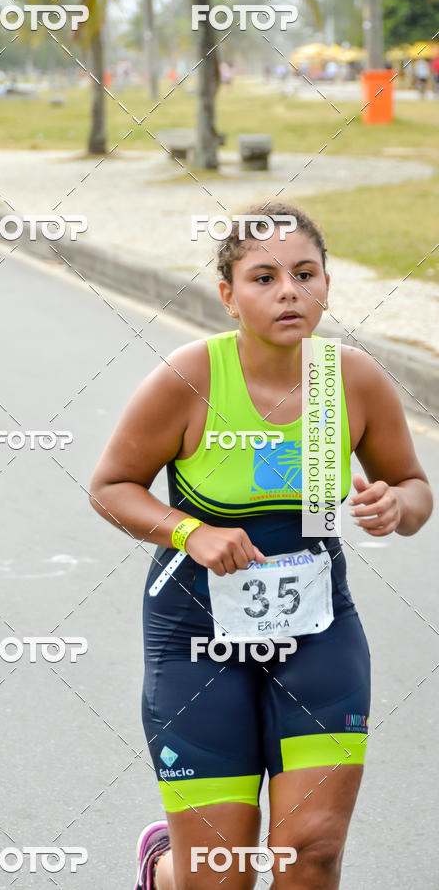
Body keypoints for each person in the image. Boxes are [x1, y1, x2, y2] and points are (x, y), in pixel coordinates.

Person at [89, 203, 433, 889]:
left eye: (305, 275)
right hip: (195, 639)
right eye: (264, 278)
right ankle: (167, 867)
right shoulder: (190, 379)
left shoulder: (352, 380)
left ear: (327, 286)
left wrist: (397, 505)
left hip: (318, 634)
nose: (288, 292)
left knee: (312, 852)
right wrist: (192, 532)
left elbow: (416, 489)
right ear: (228, 296)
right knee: (221, 873)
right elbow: (111, 486)